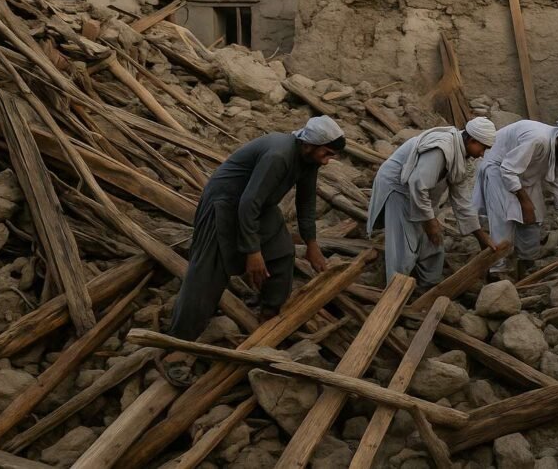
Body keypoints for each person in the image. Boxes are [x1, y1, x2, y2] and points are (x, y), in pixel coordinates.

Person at [160, 116, 345, 385]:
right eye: (326, 153)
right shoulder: (279, 155)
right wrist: (253, 252)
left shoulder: (309, 159)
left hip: (257, 207)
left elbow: (306, 201)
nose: (327, 160)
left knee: (282, 254)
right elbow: (247, 203)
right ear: (309, 144)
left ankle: (267, 319)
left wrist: (312, 245)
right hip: (224, 205)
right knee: (207, 275)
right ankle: (175, 349)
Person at [367, 118, 497, 288]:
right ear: (472, 140)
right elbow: (417, 184)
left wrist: (481, 237)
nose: (482, 154)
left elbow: (463, 201)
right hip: (399, 188)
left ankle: (431, 285)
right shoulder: (441, 148)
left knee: (433, 242)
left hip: (420, 193)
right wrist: (430, 222)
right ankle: (395, 291)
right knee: (404, 245)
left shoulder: (461, 157)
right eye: (483, 148)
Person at [472, 117, 558, 277]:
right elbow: (508, 170)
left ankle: (526, 265)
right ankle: (496, 271)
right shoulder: (538, 139)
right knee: (503, 220)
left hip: (524, 175)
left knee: (533, 220)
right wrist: (525, 202)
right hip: (499, 167)